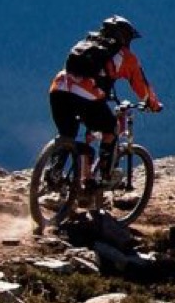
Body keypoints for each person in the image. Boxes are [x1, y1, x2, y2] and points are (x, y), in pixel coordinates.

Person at [47, 15, 162, 189]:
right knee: (110, 129)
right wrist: (153, 104)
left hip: (58, 89)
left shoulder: (85, 44)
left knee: (67, 133)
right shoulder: (125, 56)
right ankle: (105, 176)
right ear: (124, 37)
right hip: (86, 95)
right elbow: (141, 85)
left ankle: (53, 172)